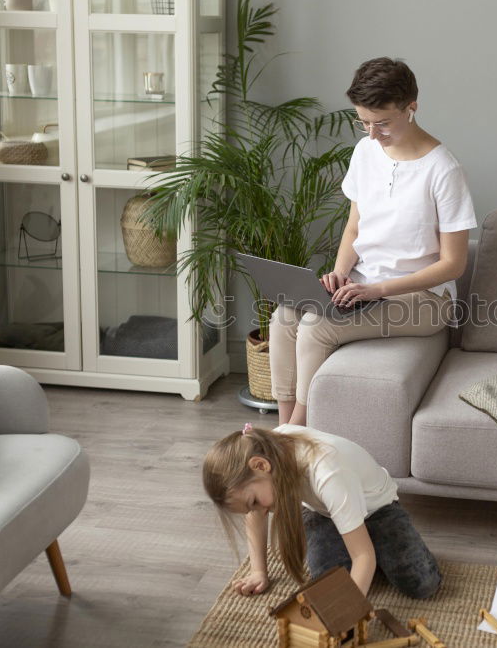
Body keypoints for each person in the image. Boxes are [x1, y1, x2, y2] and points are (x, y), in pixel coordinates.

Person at [269, 57, 477, 426]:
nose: (371, 134)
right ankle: (282, 429)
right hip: (363, 284)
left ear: (411, 107)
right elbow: (354, 228)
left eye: (382, 123)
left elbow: (453, 264)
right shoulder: (365, 152)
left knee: (318, 326)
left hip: (426, 301)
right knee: (284, 315)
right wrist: (339, 272)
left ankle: (294, 434)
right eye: (363, 121)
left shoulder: (443, 170)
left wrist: (379, 290)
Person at [203, 423, 442, 599]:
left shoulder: (328, 471)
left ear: (261, 466)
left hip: (378, 510)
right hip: (324, 512)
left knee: (423, 584)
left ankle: (373, 541)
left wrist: (348, 612)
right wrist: (258, 570)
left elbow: (363, 556)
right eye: (250, 506)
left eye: (254, 501)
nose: (258, 510)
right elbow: (254, 514)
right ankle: (362, 541)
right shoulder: (266, 452)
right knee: (330, 585)